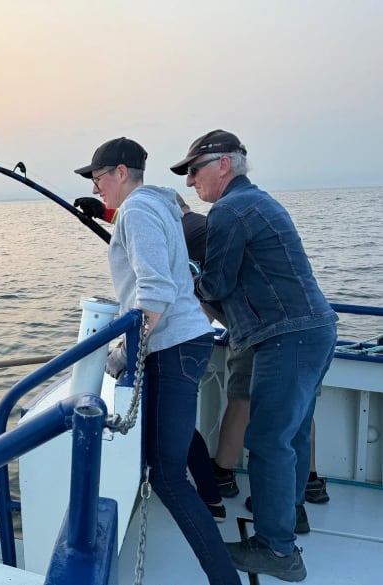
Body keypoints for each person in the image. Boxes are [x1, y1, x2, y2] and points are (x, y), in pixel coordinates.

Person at [171, 129, 337, 582]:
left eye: (194, 169)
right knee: (293, 435)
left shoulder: (230, 210)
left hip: (287, 336)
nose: (190, 181)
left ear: (224, 164)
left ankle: (278, 550)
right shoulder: (255, 202)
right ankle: (293, 515)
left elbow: (217, 285)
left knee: (267, 442)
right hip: (313, 329)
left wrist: (185, 283)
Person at [75, 136, 241, 585]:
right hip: (181, 344)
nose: (95, 187)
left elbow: (155, 289)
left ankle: (225, 577)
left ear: (121, 172)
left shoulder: (139, 210)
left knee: (166, 477)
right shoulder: (155, 206)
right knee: (164, 456)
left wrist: (124, 349)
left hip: (172, 348)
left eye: (98, 177)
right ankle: (214, 508)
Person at [74, 194, 227, 522]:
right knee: (179, 427)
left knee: (177, 439)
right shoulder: (179, 222)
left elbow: (159, 285)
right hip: (195, 330)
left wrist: (126, 350)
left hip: (183, 334)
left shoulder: (176, 226)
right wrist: (102, 212)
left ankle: (204, 498)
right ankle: (210, 493)